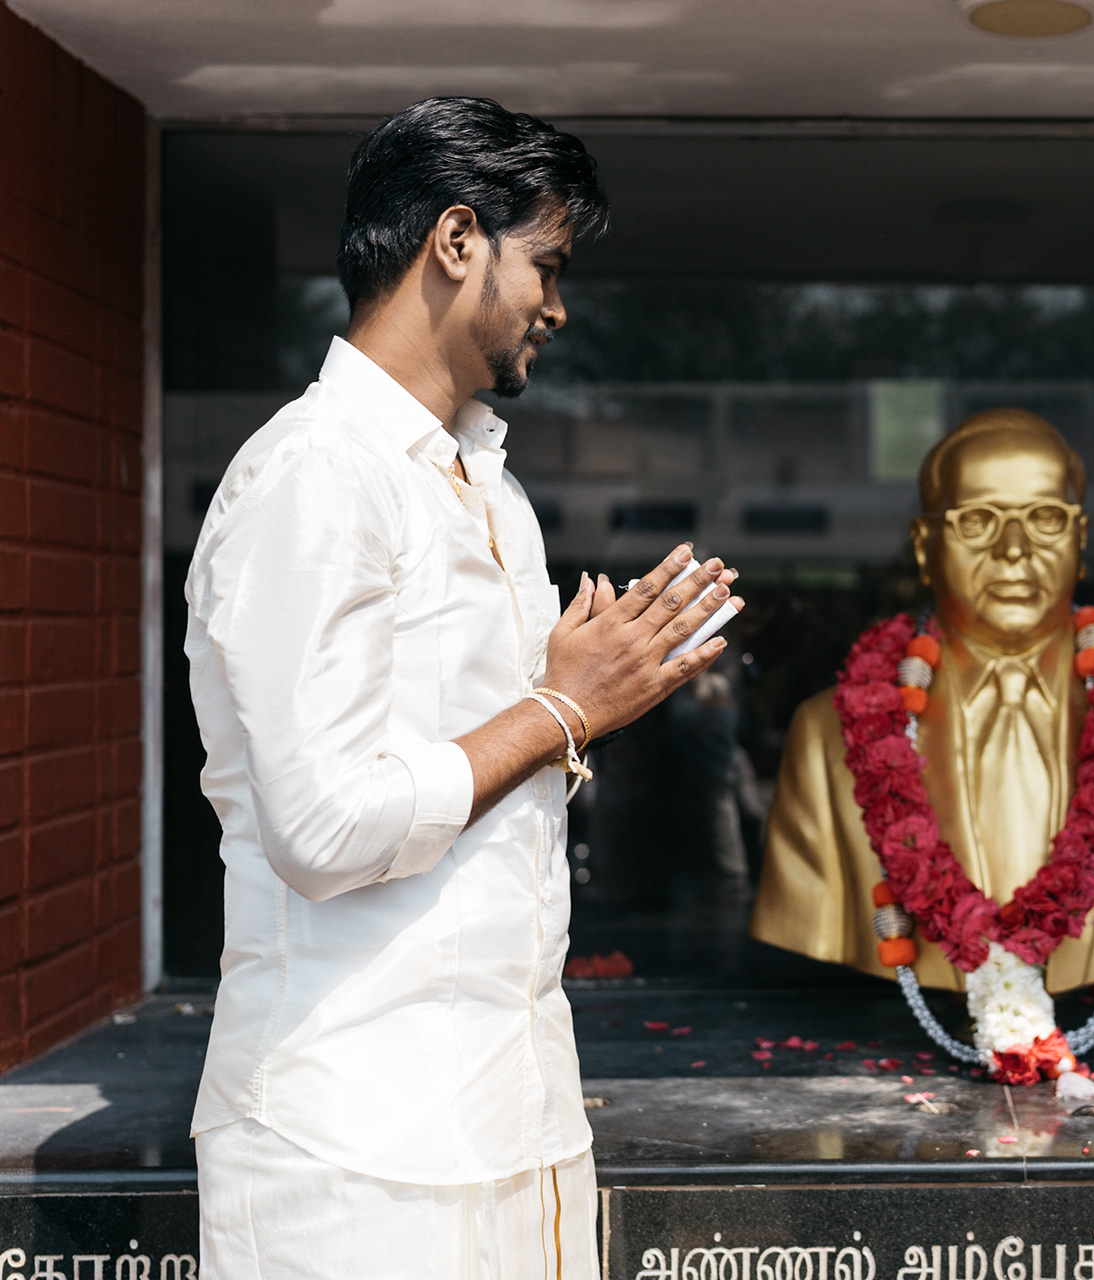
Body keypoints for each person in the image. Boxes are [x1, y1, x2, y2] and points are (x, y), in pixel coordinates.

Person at [182, 97, 740, 1280]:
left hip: (514, 1120)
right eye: (548, 264)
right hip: (350, 1155)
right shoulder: (316, 475)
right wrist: (562, 708)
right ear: (454, 240)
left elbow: (498, 773)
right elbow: (323, 828)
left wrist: (585, 697)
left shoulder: (490, 487)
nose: (558, 305)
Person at [752, 409, 1094, 1004]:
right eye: (977, 521)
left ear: (1080, 539)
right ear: (924, 546)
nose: (1014, 549)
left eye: (1045, 518)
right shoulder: (826, 737)